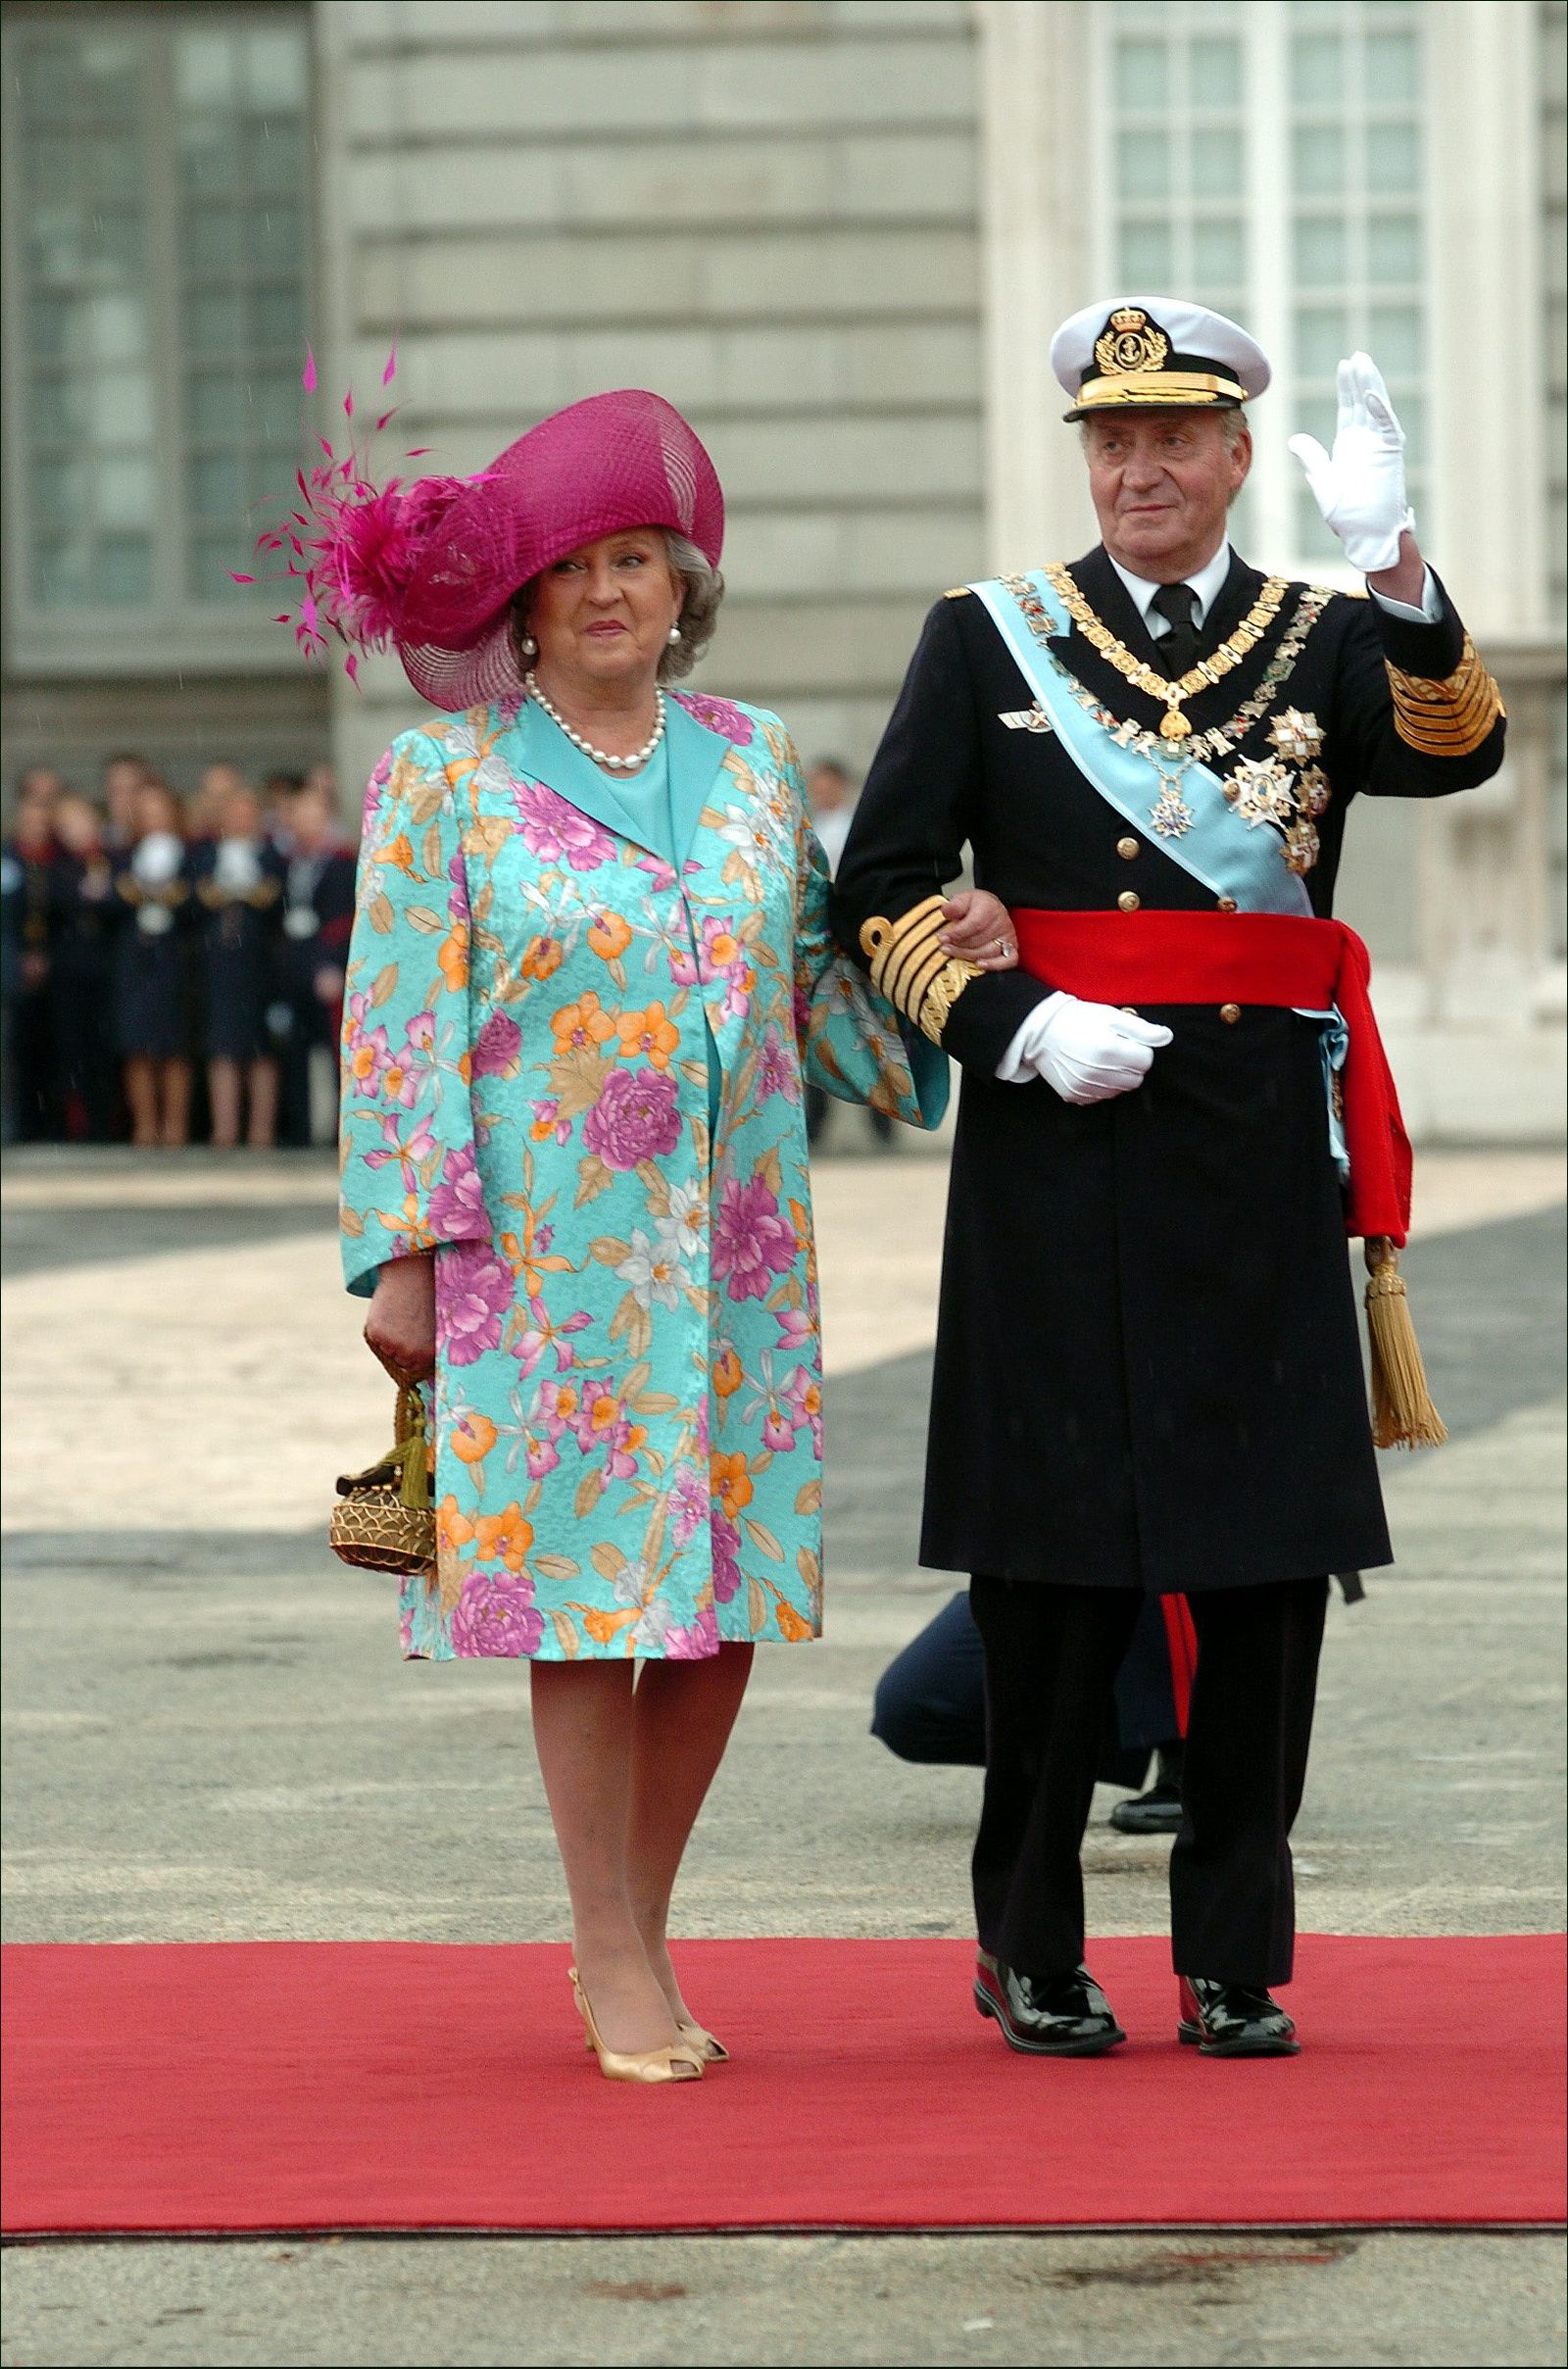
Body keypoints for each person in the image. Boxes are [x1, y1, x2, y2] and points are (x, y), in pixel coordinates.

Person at [304, 389, 1015, 2085]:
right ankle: (609, 1943)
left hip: (740, 1249)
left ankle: (634, 1912)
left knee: (725, 1600)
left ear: (683, 584)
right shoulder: (445, 780)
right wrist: (403, 1249)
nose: (613, 591)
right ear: (522, 603)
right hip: (548, 1261)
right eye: (576, 568)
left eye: (641, 559)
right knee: (586, 1600)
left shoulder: (757, 761)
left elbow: (823, 998)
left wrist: (950, 955)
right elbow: (398, 1022)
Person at [834, 300, 1506, 2059]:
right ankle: (1028, 1940)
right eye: (1109, 443)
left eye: (1173, 441)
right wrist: (1013, 1022)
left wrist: (1400, 565)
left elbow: (1460, 751)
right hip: (1059, 1145)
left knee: (1266, 1570)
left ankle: (1235, 1947)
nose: (1137, 469)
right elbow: (880, 884)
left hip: (1255, 1153)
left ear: (1228, 459)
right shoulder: (987, 636)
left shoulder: (1321, 637)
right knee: (1053, 1571)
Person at [871, 1589, 1187, 1831]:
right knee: (911, 1707)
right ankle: (1152, 1726)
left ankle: (1194, 1761)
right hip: (1057, 1544)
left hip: (1168, 1555)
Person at [803, 760, 893, 1152]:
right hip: (819, 942)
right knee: (816, 1030)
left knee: (870, 1029)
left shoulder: (857, 827)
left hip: (855, 937)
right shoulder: (808, 828)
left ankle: (883, 1121)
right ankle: (815, 1124)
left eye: (827, 785)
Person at [191, 780, 286, 1148]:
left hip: (260, 961)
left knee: (261, 1047)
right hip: (218, 961)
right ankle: (225, 1128)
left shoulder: (271, 856)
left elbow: (280, 902)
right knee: (223, 1045)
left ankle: (261, 1128)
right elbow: (193, 902)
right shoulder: (206, 855)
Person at [272, 777, 356, 1148]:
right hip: (294, 963)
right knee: (295, 1048)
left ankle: (342, 1131)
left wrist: (331, 964)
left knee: (335, 1050)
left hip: (326, 962)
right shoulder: (289, 862)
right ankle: (300, 1129)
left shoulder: (341, 862)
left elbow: (345, 917)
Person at [112, 776, 194, 1148]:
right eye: (146, 814)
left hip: (175, 959)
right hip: (135, 961)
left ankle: (175, 1125)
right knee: (138, 1045)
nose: (154, 820)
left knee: (174, 1045)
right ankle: (145, 1124)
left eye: (161, 812)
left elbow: (198, 905)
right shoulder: (121, 856)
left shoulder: (192, 856)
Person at [47, 794, 121, 1143]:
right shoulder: (58, 866)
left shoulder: (112, 860)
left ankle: (106, 1122)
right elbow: (56, 904)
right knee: (71, 1049)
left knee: (103, 1048)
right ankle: (77, 1124)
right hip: (69, 971)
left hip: (107, 970)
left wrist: (102, 897)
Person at [2, 769, 63, 1142]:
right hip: (11, 966)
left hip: (59, 966)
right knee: (15, 1051)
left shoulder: (61, 861)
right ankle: (16, 1126)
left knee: (52, 1051)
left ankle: (48, 1125)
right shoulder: (8, 859)